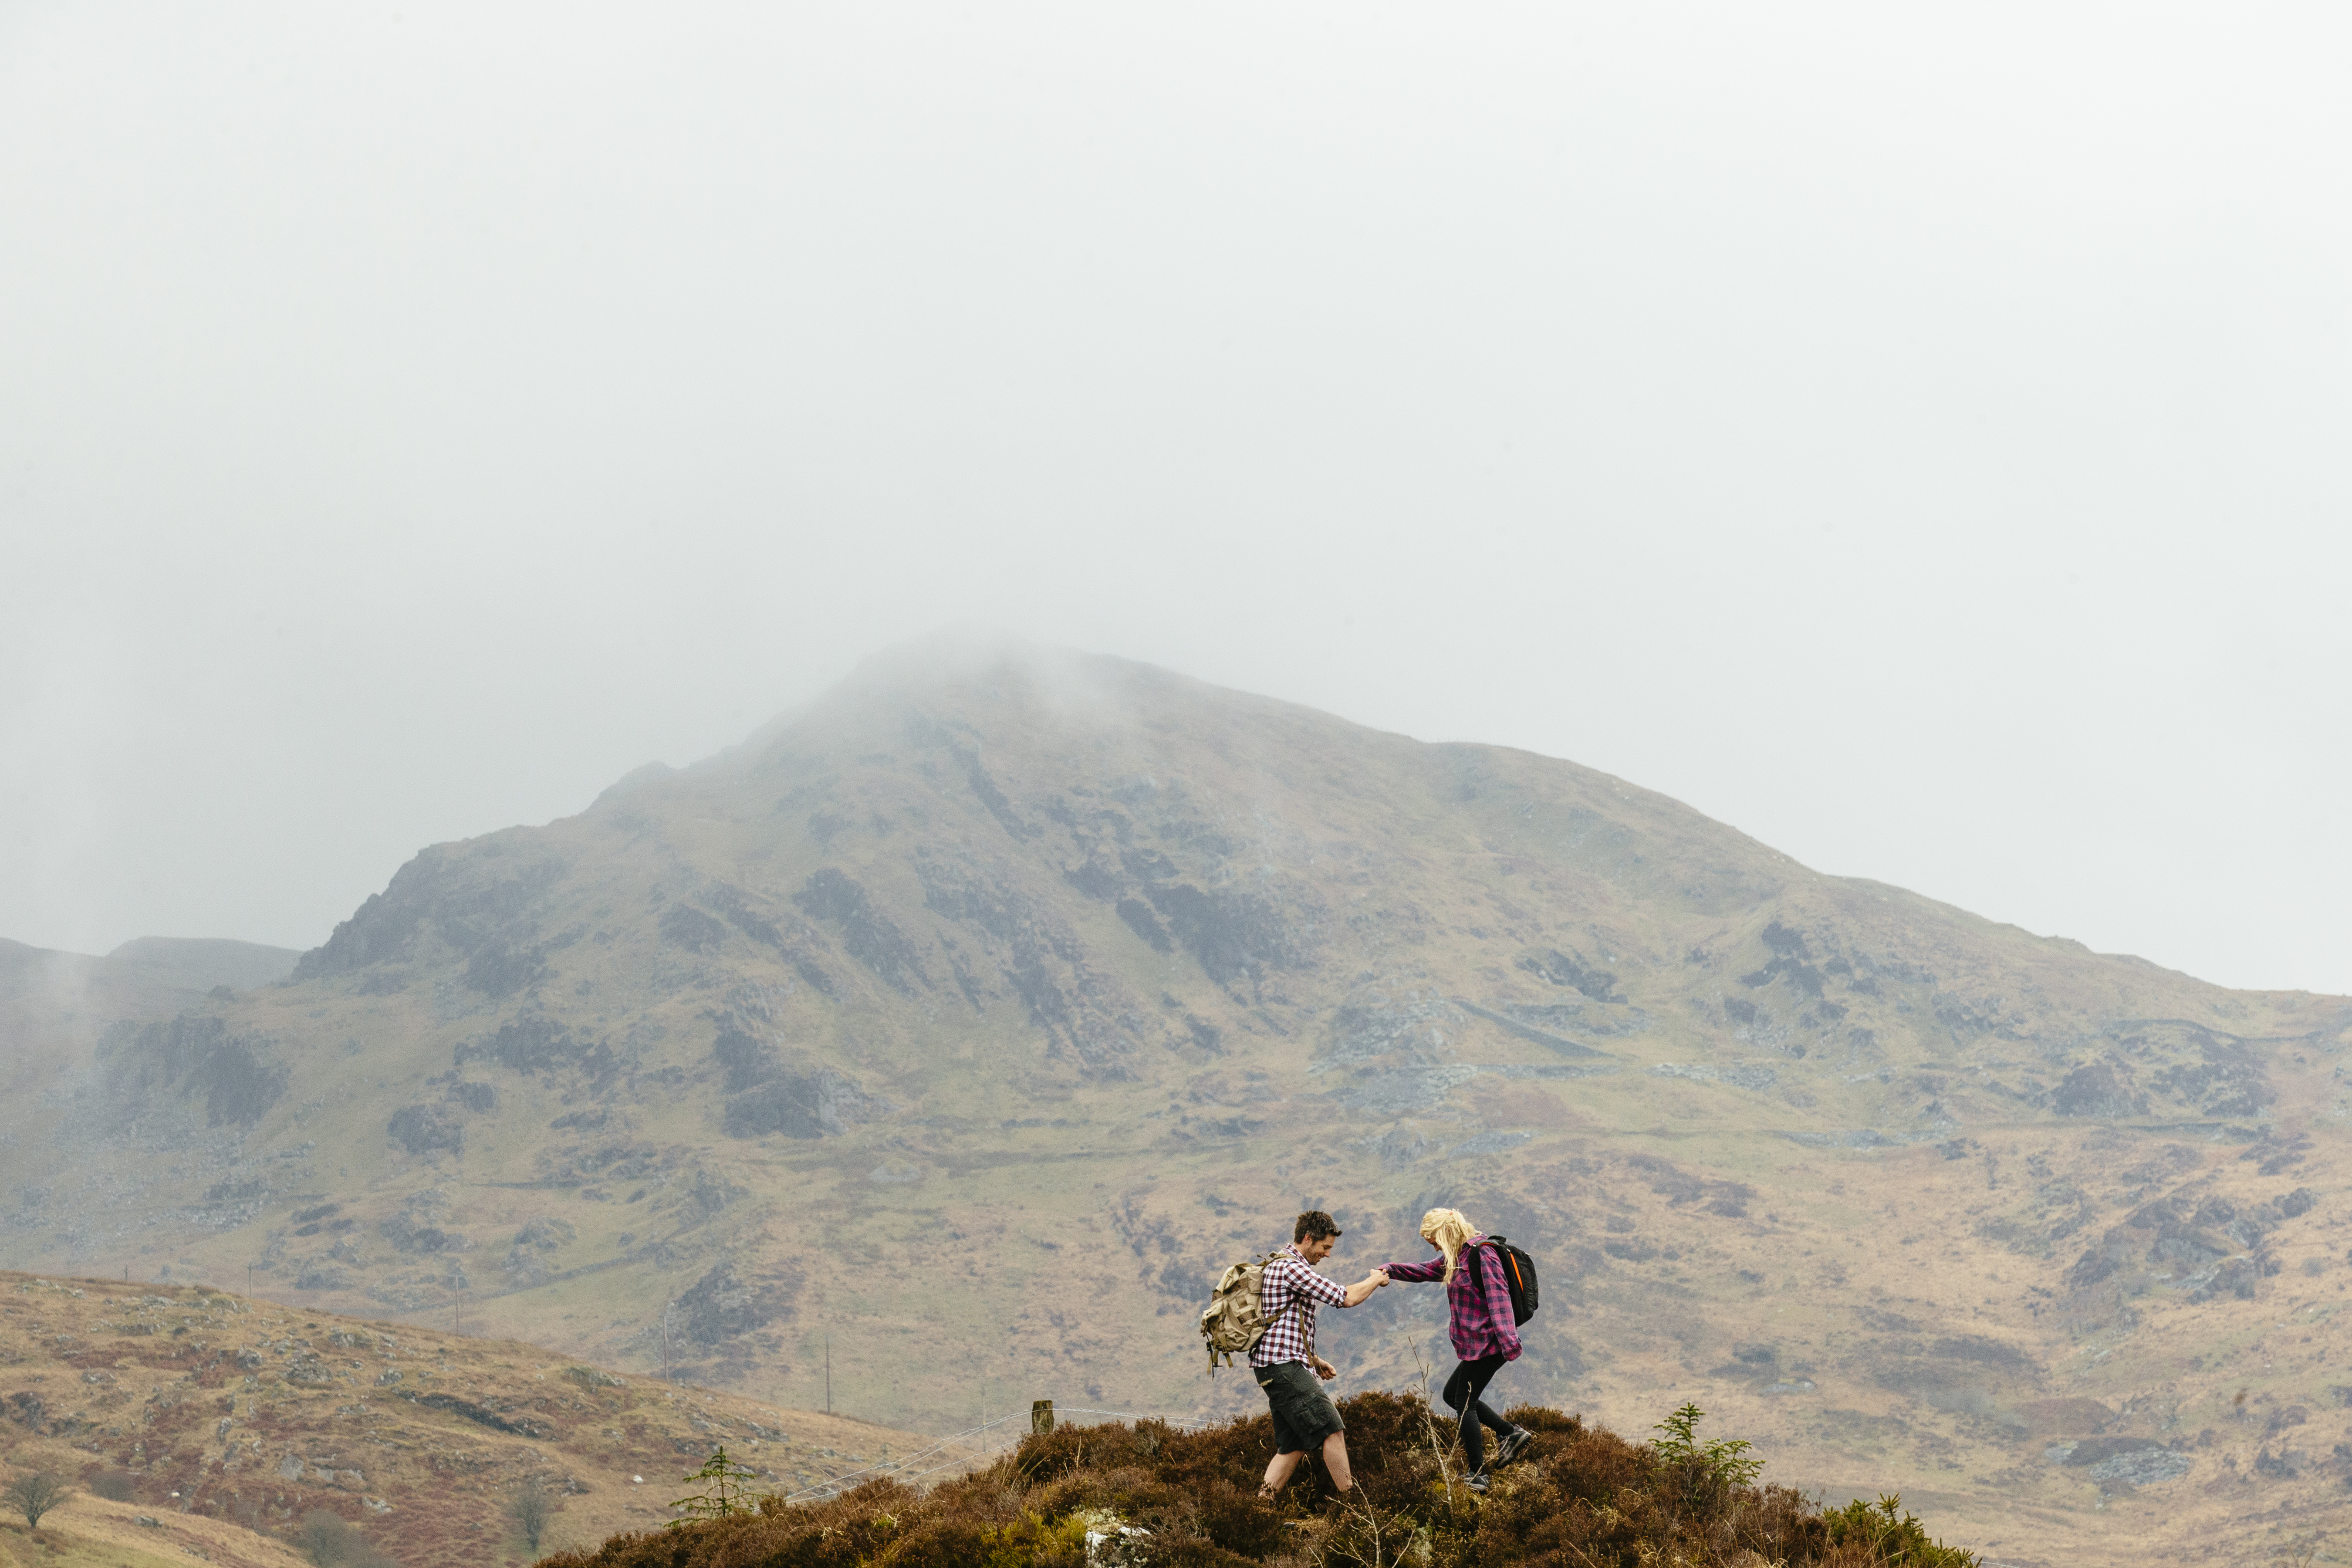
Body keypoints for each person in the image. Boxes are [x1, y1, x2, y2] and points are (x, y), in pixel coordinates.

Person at [1382, 1207, 1534, 1494]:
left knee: (1463, 1400)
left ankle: (1478, 1474)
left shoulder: (1482, 1255)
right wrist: (1391, 1269)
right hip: (1477, 1345)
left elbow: (1499, 1298)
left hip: (1492, 1343)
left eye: (1435, 1241)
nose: (1436, 1247)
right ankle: (1510, 1433)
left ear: (1446, 1233)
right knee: (1454, 1395)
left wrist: (1509, 1344)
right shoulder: (1459, 1257)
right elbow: (1428, 1269)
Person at [1252, 1210, 1389, 1500]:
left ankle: (1260, 1509)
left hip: (1275, 1366)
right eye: (1325, 1247)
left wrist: (1314, 1360)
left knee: (1292, 1445)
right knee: (1332, 1429)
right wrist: (1376, 1280)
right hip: (1283, 1367)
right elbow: (1346, 1297)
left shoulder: (1279, 1265)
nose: (1327, 1255)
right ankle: (1354, 1505)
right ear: (1307, 1239)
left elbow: (1283, 1324)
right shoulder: (1293, 1269)